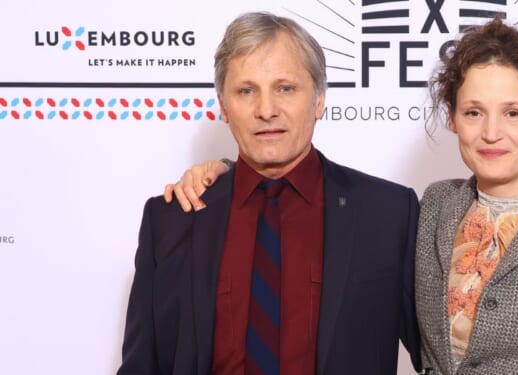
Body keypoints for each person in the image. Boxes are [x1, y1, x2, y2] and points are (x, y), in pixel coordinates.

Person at [167, 17, 518, 375]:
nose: (492, 132)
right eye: (474, 111)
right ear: (453, 118)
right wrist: (227, 175)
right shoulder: (432, 208)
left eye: (513, 112)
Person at [119, 12, 422, 375]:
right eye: (246, 91)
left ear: (319, 99)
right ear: (224, 106)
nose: (266, 110)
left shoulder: (388, 214)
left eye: (285, 88)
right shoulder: (171, 218)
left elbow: (441, 355)